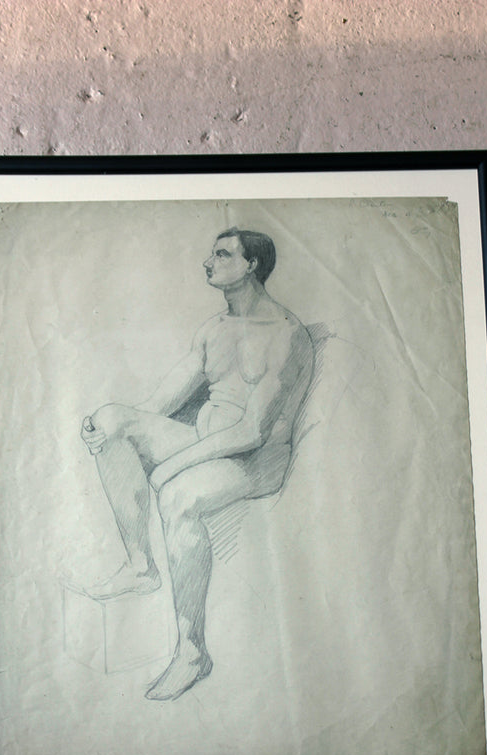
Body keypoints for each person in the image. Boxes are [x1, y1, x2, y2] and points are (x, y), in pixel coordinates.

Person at [80, 227, 314, 701]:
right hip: (207, 440)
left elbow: (252, 432)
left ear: (251, 265)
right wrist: (110, 428)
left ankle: (192, 652)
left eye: (222, 254)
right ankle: (140, 566)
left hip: (256, 460)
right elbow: (161, 403)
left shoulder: (286, 334)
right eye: (212, 253)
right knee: (110, 419)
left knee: (177, 495)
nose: (209, 262)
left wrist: (173, 465)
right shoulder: (213, 329)